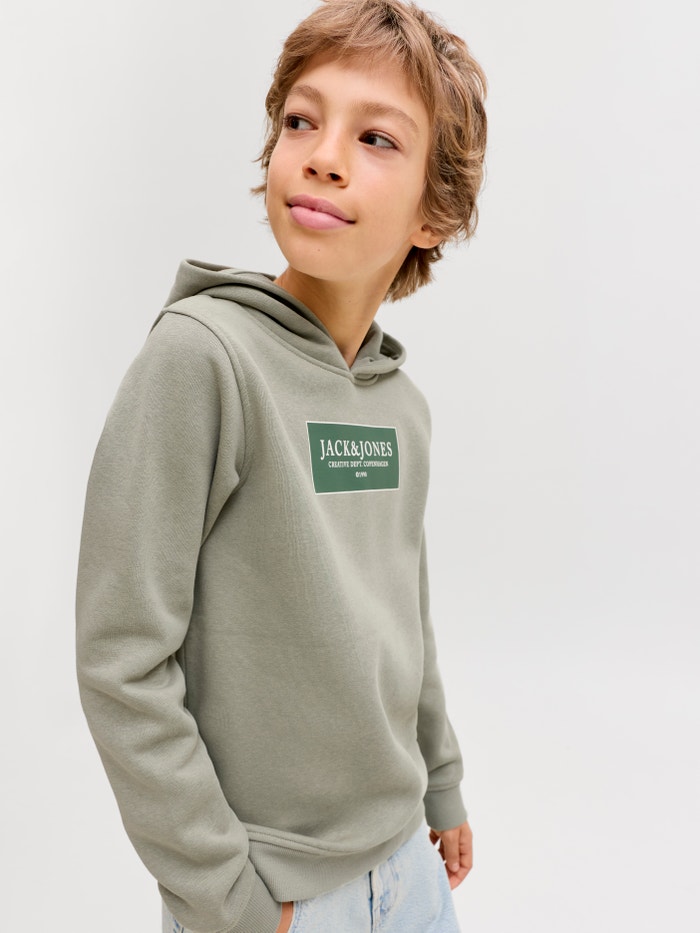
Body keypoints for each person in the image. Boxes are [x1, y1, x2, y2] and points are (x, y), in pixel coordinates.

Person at [75, 1, 487, 930]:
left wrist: (442, 779)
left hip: (408, 867)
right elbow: (121, 659)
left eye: (375, 137)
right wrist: (229, 899)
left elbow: (404, 613)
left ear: (435, 211)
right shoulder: (202, 360)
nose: (322, 155)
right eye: (302, 120)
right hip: (276, 891)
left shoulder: (400, 406)